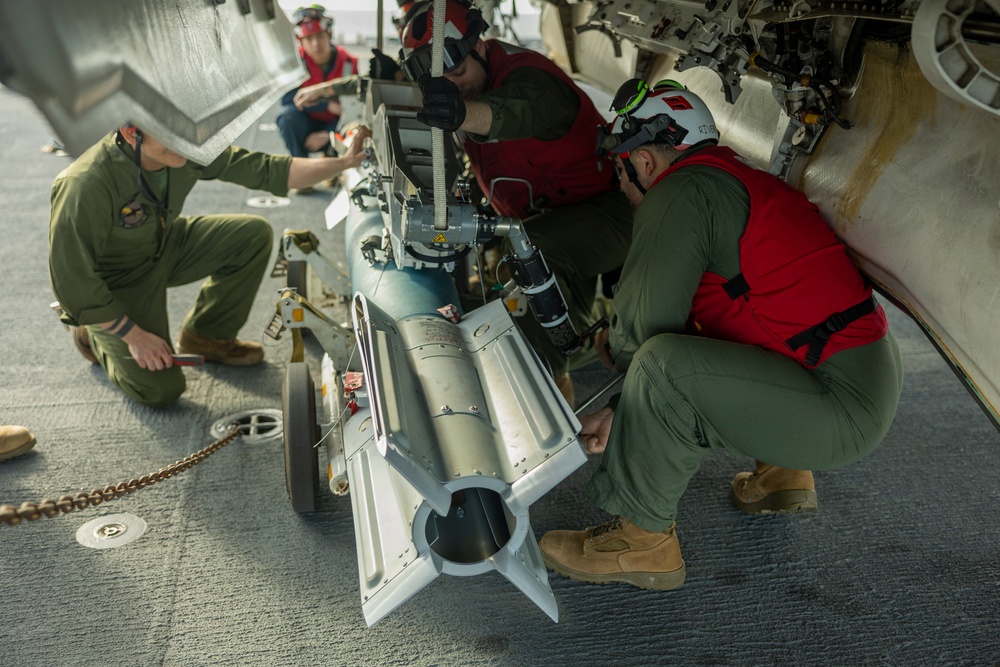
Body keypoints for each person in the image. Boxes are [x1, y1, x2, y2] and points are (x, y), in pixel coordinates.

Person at [539, 79, 903, 590]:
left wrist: (626, 396)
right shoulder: (731, 178)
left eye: (620, 172)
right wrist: (626, 405)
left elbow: (641, 331)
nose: (620, 188)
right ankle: (783, 472)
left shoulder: (681, 190)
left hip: (836, 404)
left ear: (643, 163)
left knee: (660, 363)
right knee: (714, 334)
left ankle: (641, 541)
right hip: (858, 380)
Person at [397, 0, 633, 404]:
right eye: (445, 84)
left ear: (481, 45)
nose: (458, 86)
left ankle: (546, 394)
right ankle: (560, 353)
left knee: (529, 253)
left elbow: (512, 112)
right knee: (516, 293)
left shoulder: (530, 76)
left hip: (613, 211)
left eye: (459, 72)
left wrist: (459, 114)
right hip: (549, 220)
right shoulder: (472, 85)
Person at [49, 123, 368, 408]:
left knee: (251, 235)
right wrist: (132, 335)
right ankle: (92, 333)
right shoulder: (85, 183)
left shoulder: (183, 149)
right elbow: (71, 281)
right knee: (161, 389)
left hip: (166, 242)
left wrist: (344, 163)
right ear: (133, 133)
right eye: (173, 135)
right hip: (116, 281)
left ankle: (207, 336)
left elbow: (268, 170)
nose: (188, 143)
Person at [277, 5, 359, 164]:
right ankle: (302, 168)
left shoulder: (348, 64)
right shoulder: (296, 63)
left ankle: (334, 163)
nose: (315, 44)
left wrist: (328, 134)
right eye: (308, 39)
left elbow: (355, 108)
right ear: (299, 41)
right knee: (287, 119)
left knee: (356, 126)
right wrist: (326, 106)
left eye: (320, 36)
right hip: (307, 121)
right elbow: (286, 99)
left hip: (338, 124)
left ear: (329, 34)